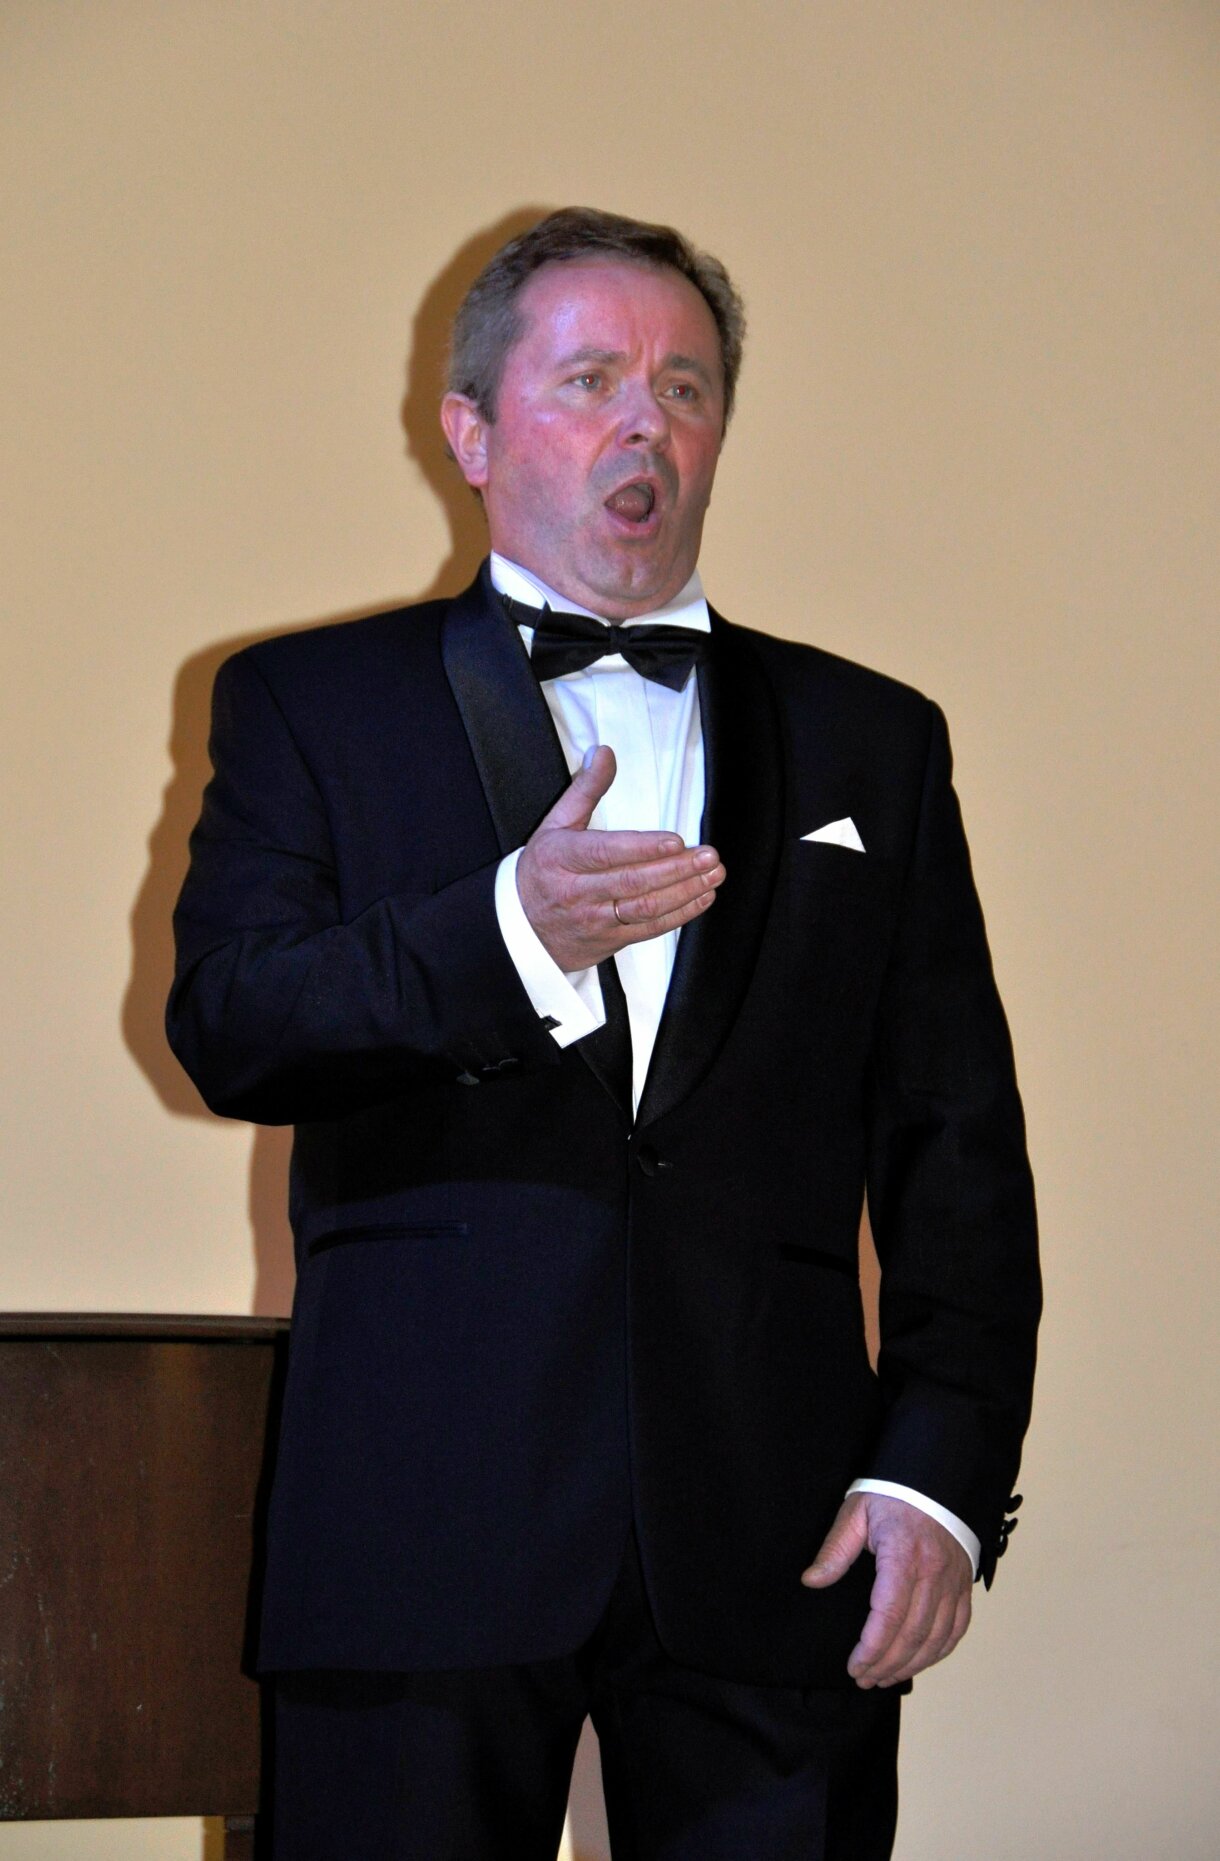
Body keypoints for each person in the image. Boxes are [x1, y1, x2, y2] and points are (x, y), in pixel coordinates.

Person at [168, 207, 1040, 1860]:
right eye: (592, 381)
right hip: (417, 1532)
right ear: (472, 432)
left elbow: (961, 1153)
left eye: (685, 388)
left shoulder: (875, 740)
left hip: (783, 1541)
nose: (648, 422)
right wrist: (512, 934)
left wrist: (939, 1473)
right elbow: (232, 1024)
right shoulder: (305, 704)